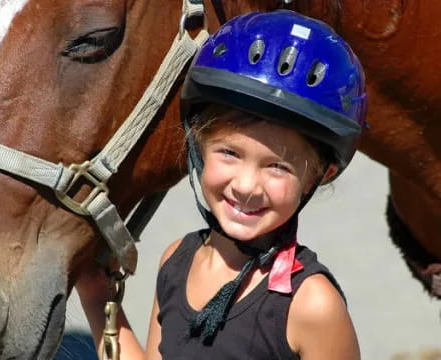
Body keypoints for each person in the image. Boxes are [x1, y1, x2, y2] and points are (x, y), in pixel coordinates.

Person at [76, 9, 367, 360]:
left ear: (322, 174)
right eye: (229, 152)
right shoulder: (177, 261)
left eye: (277, 167)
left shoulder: (311, 305)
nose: (246, 185)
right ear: (198, 145)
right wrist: (94, 291)